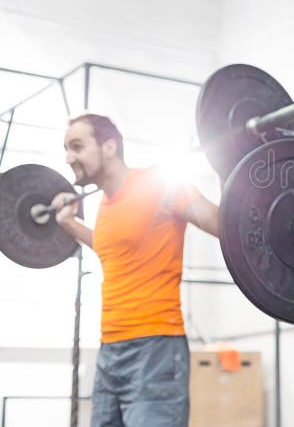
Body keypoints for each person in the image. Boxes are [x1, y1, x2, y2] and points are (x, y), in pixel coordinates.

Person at [50, 113, 220, 427]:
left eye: (77, 146)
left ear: (109, 146)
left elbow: (222, 224)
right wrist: (70, 224)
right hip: (110, 349)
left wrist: (236, 169)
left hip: (155, 348)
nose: (69, 158)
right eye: (66, 149)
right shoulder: (106, 203)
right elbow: (111, 249)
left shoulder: (160, 185)